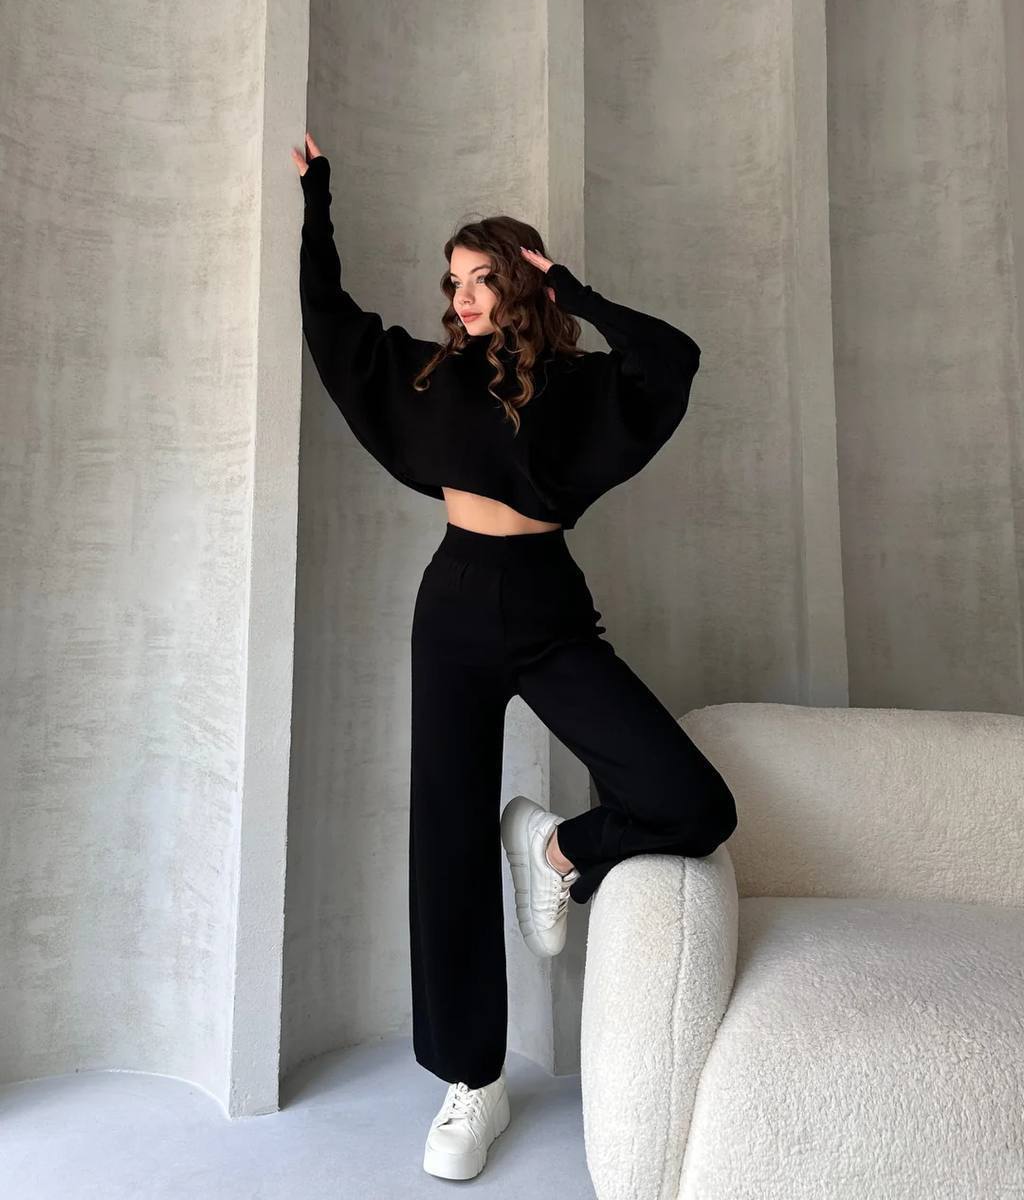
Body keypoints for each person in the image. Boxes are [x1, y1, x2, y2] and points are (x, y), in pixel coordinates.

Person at [290, 131, 738, 1181]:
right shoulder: (429, 373)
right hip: (450, 602)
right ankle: (471, 1080)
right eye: (453, 282)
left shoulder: (577, 386)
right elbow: (328, 321)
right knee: (443, 838)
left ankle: (557, 851)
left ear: (521, 277)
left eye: (482, 276)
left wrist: (571, 284)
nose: (464, 296)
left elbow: (672, 358)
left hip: (543, 605)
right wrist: (318, 201)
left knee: (689, 798)